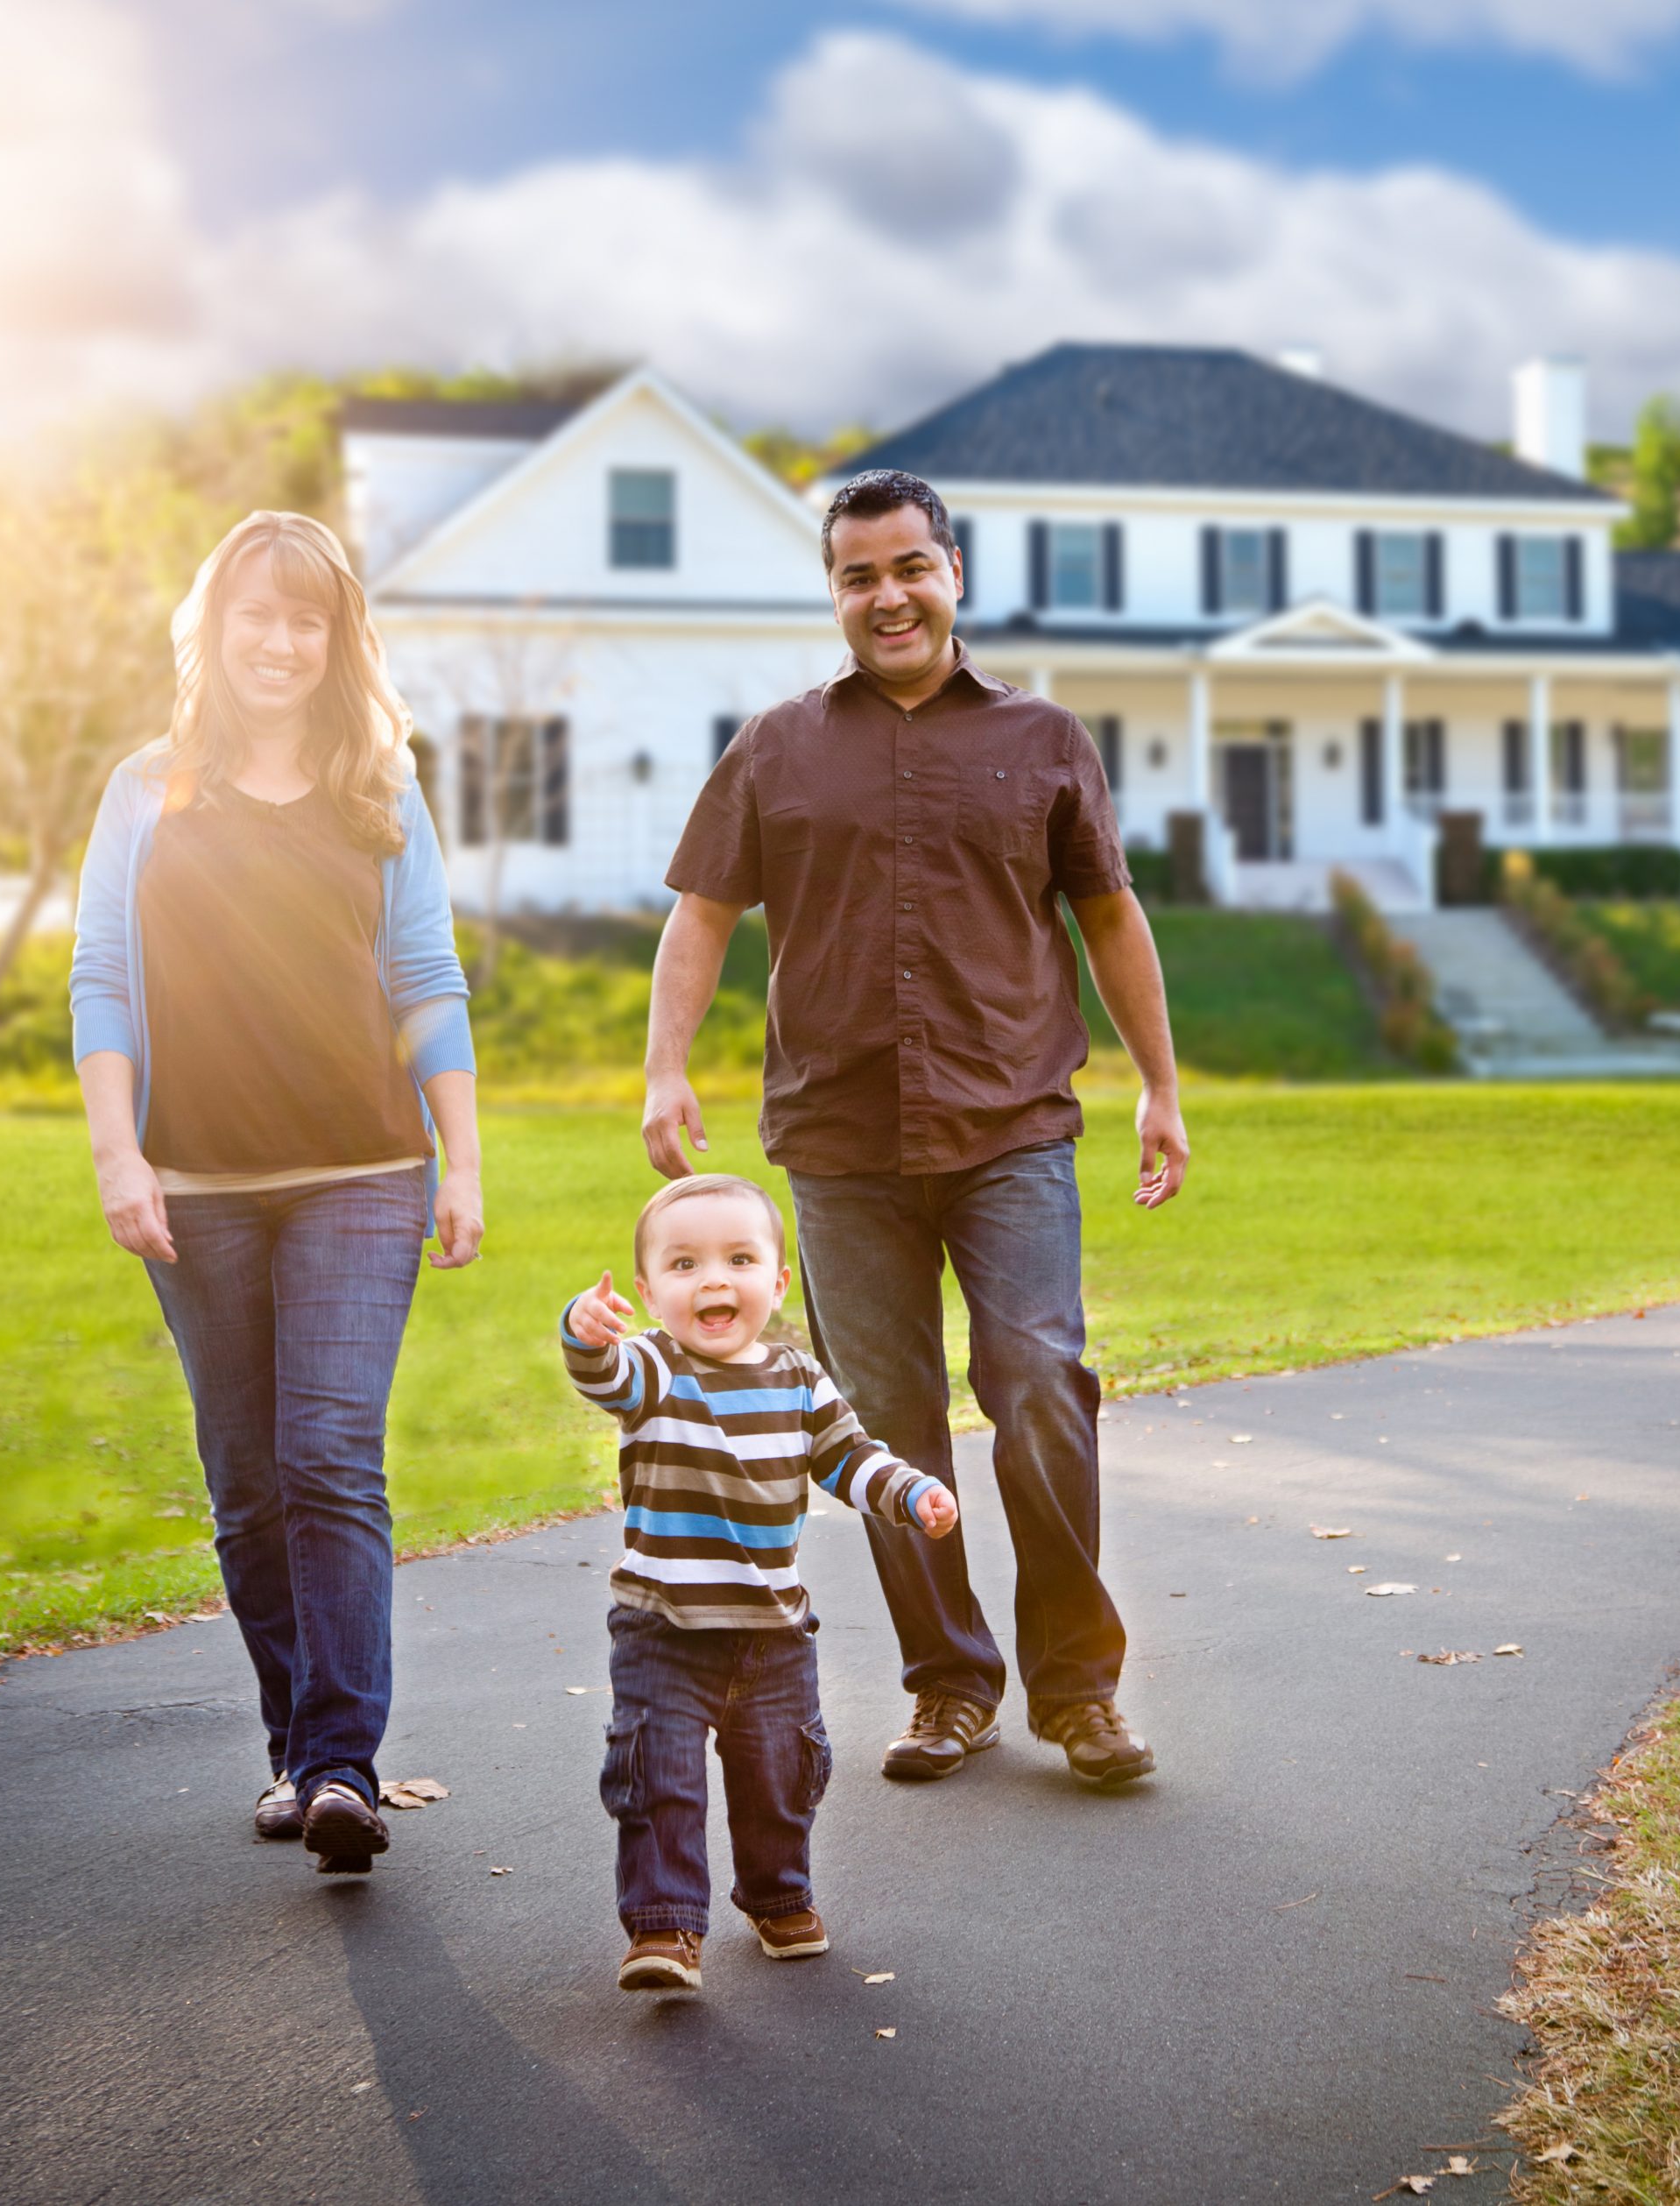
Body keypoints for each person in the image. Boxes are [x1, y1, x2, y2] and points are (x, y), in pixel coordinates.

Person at [641, 467, 1188, 1791]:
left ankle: (1080, 1692)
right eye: (856, 574)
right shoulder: (776, 746)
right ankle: (949, 1685)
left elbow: (1109, 915)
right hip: (839, 1145)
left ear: (955, 575)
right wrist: (666, 1069)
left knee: (1039, 1387)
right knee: (886, 1427)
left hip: (1011, 1125)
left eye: (907, 568)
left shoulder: (1046, 739)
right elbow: (703, 913)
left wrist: (1159, 1084)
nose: (885, 595)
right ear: (835, 591)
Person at [70, 509, 482, 1877]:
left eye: (308, 619)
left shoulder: (381, 788)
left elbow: (425, 976)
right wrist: (119, 1152)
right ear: (215, 624)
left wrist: (460, 1156)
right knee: (247, 1479)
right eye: (258, 613)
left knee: (325, 1451)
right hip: (195, 1183)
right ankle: (296, 1749)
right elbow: (103, 984)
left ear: (337, 639)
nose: (282, 641)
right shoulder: (146, 788)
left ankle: (344, 1764)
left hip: (362, 1171)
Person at [560, 1174, 957, 1991]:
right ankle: (665, 1928)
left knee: (780, 1777)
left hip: (772, 1632)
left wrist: (911, 1492)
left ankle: (778, 1895)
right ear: (648, 1291)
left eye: (738, 1259)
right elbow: (604, 1376)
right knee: (657, 1779)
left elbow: (849, 1458)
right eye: (684, 1264)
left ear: (777, 1282)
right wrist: (585, 1332)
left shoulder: (798, 1379)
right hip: (662, 1629)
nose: (713, 1279)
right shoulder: (656, 1369)